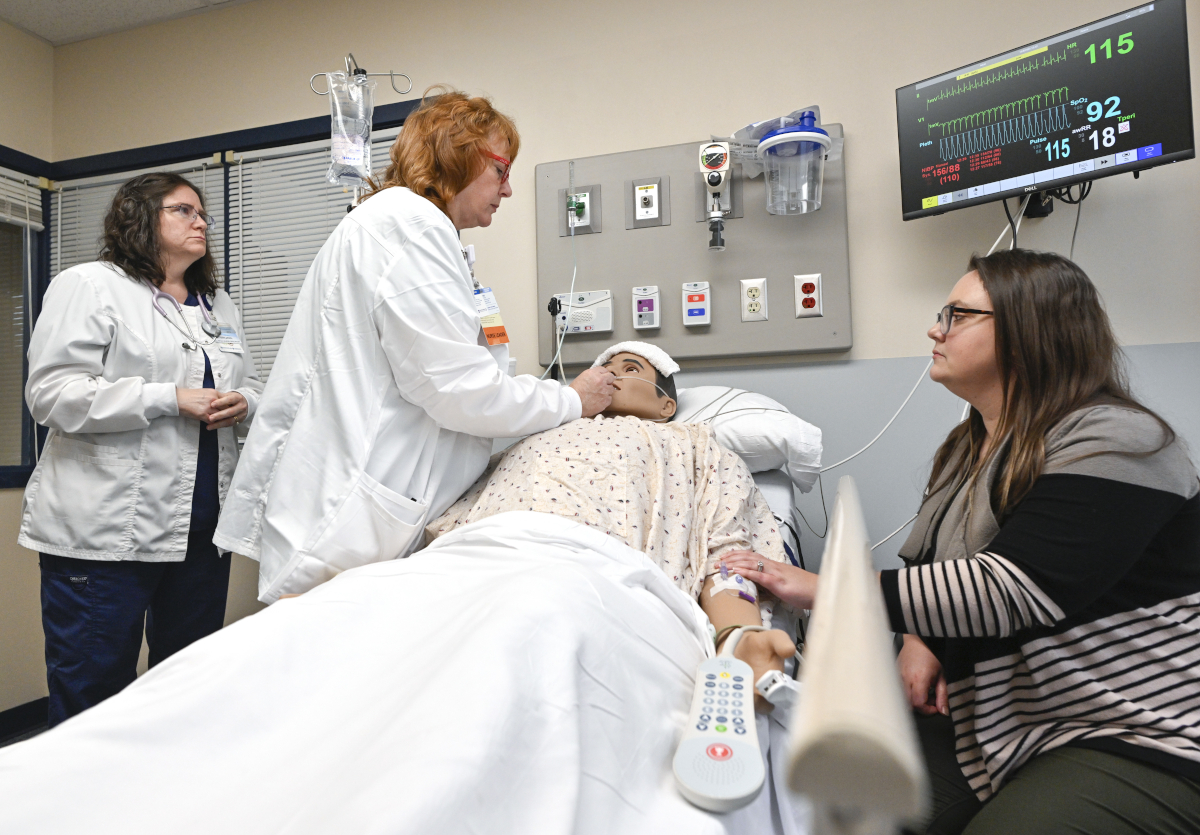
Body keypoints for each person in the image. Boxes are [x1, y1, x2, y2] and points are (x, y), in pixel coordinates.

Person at [721, 249, 1200, 833]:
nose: (934, 328)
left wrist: (825, 589)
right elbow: (929, 560)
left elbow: (1014, 588)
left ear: (1027, 332)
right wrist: (922, 640)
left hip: (1134, 728)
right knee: (833, 810)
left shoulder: (1118, 439)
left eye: (958, 314)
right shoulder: (969, 444)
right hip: (1002, 724)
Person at [214, 88, 614, 603]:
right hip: (349, 526)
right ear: (458, 153)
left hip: (361, 510)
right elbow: (458, 390)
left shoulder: (414, 228)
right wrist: (573, 399)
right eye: (501, 169)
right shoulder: (411, 227)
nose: (508, 189)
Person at [19, 172, 263, 727]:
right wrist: (165, 397)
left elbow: (248, 382)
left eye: (202, 213)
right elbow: (52, 395)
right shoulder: (90, 285)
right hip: (105, 537)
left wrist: (245, 402)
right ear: (139, 218)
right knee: (95, 694)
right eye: (183, 211)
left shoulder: (216, 304)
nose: (201, 221)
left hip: (200, 537)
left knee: (186, 690)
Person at [427, 341, 797, 695]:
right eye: (602, 368)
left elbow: (726, 555)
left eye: (630, 368)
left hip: (594, 572)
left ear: (666, 406)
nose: (608, 375)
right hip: (483, 560)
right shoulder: (538, 432)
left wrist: (739, 635)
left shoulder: (693, 444)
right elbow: (456, 517)